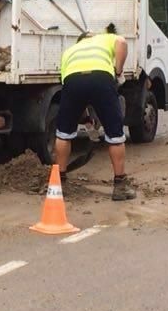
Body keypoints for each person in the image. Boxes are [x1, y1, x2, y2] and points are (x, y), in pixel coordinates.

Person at [54, 25, 136, 201]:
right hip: (101, 78)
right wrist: (118, 72)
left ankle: (59, 183)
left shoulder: (70, 51)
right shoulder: (104, 38)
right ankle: (120, 185)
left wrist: (83, 117)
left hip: (73, 80)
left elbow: (70, 86)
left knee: (64, 134)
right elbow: (121, 42)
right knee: (115, 134)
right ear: (93, 37)